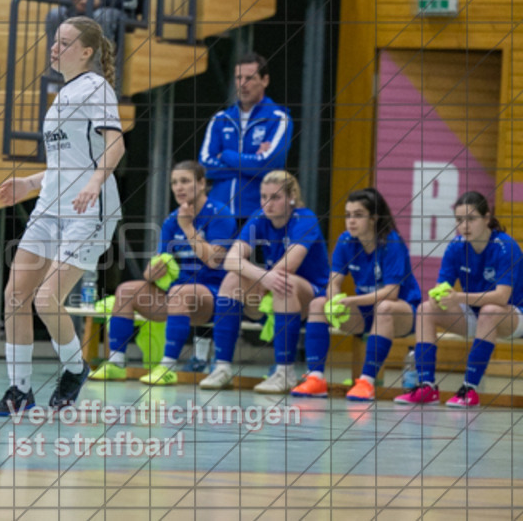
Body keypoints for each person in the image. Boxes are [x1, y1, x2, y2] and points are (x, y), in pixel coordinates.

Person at [0, 16, 125, 415]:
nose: (54, 47)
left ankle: (74, 368)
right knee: (16, 296)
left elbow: (114, 146)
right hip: (50, 206)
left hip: (88, 209)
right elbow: (67, 164)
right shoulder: (62, 95)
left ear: (86, 52)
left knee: (48, 298)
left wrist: (95, 182)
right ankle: (19, 391)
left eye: (64, 43)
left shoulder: (97, 88)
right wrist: (29, 184)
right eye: (54, 41)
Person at [89, 161, 236, 385]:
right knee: (126, 290)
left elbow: (214, 261)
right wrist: (151, 273)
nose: (179, 187)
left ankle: (167, 368)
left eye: (185, 181)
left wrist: (188, 228)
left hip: (214, 296)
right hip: (178, 295)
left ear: (202, 183)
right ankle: (116, 364)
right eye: (174, 183)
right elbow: (158, 262)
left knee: (179, 291)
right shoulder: (172, 219)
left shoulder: (220, 214)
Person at [199, 170, 330, 393]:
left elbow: (290, 264)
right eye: (263, 197)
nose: (267, 204)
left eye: (275, 197)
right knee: (232, 280)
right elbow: (231, 259)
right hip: (269, 291)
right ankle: (222, 368)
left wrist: (264, 278)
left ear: (291, 197)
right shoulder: (259, 218)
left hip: (310, 295)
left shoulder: (304, 218)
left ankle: (284, 372)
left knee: (283, 281)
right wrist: (262, 276)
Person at [289, 188, 421, 401]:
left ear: (374, 218)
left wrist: (351, 300)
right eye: (348, 215)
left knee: (385, 308)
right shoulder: (346, 241)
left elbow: (392, 293)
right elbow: (334, 281)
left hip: (402, 313)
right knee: (318, 305)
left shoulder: (391, 242)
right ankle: (315, 378)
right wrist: (334, 301)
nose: (351, 221)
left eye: (358, 215)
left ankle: (366, 382)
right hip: (366, 312)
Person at [395, 192, 523, 408]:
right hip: (477, 315)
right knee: (426, 309)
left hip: (513, 316)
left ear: (486, 218)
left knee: (490, 310)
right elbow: (442, 287)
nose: (464, 226)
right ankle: (426, 386)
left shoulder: (506, 247)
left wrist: (457, 297)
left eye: (471, 219)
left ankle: (469, 389)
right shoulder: (456, 247)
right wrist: (439, 297)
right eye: (459, 220)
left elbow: (502, 297)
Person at [199, 52, 292, 221]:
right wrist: (251, 166)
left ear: (265, 80)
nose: (243, 84)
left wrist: (226, 155)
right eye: (238, 78)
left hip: (259, 215)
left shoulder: (279, 118)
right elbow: (205, 166)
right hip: (219, 215)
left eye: (250, 78)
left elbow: (268, 165)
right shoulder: (220, 119)